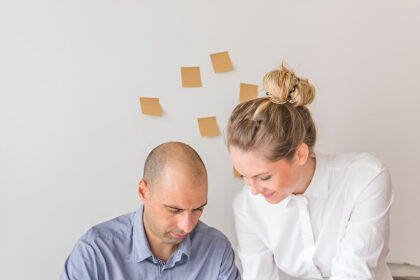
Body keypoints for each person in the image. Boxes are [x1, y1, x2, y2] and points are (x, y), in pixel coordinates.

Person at [226, 64, 393, 279]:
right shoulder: (247, 206)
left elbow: (353, 274)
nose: (254, 191)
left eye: (264, 177)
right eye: (244, 177)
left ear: (300, 154)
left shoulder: (366, 179)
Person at [60, 142, 241, 280]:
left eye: (198, 209)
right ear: (143, 191)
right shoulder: (95, 252)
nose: (187, 226)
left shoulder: (217, 250)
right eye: (174, 209)